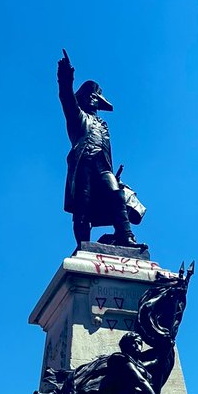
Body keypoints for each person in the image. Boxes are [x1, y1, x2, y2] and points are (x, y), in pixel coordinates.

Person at [58, 49, 139, 248]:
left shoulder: (103, 124)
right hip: (83, 163)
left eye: (95, 97)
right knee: (82, 206)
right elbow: (66, 98)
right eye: (89, 96)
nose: (92, 99)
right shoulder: (78, 117)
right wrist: (65, 79)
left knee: (116, 193)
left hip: (102, 166)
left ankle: (125, 236)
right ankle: (83, 245)